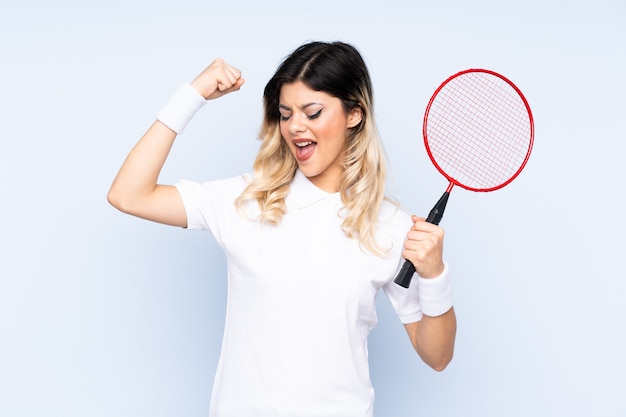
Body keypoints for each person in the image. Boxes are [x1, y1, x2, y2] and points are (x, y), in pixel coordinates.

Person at [108, 41, 456, 417]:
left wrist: (435, 274)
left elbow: (436, 356)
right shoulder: (247, 201)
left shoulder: (391, 227)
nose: (295, 127)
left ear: (354, 114)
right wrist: (192, 96)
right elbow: (128, 194)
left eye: (312, 112)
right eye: (286, 113)